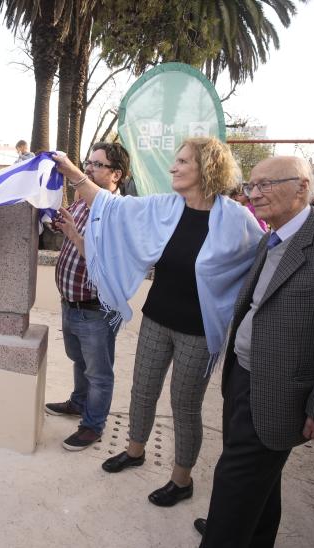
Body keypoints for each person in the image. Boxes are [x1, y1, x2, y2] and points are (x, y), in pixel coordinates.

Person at [52, 137, 264, 507]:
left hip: (199, 331)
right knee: (142, 390)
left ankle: (181, 480)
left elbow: (261, 265)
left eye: (182, 161)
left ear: (207, 168)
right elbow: (111, 205)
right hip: (157, 318)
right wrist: (73, 174)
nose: (173, 167)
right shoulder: (165, 207)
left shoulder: (236, 219)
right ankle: (135, 451)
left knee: (184, 405)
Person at [193, 156, 314, 547]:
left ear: (301, 187)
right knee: (260, 477)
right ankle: (251, 534)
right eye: (250, 186)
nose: (254, 194)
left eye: (266, 185)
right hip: (244, 378)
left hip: (281, 391)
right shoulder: (272, 236)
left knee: (235, 478)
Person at [45, 143, 128, 450]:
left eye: (97, 164)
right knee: (79, 360)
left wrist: (73, 235)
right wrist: (61, 225)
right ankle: (79, 402)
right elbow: (69, 236)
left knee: (99, 372)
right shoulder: (83, 202)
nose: (89, 168)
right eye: (88, 162)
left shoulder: (115, 211)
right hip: (71, 304)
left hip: (95, 310)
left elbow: (103, 263)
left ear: (116, 174)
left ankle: (93, 425)